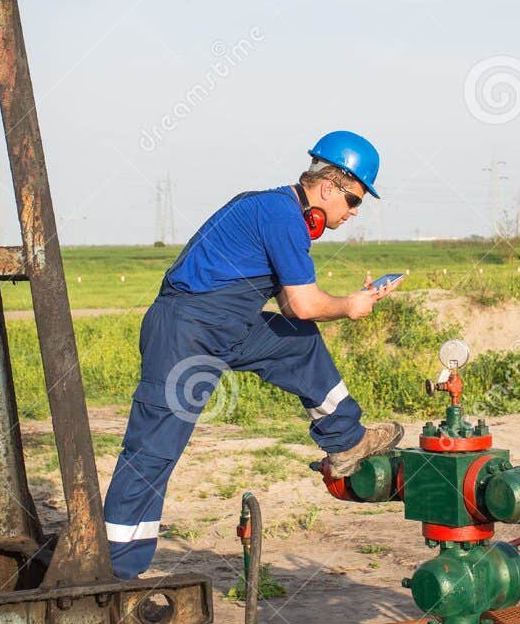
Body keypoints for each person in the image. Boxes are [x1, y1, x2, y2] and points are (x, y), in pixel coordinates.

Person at [103, 130, 403, 578]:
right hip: (187, 331)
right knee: (154, 453)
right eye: (355, 200)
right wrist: (349, 307)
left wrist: (345, 303)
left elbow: (289, 309)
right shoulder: (282, 216)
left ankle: (345, 441)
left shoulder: (280, 211)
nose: (354, 213)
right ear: (328, 187)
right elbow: (304, 303)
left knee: (297, 342)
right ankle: (111, 570)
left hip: (228, 323)